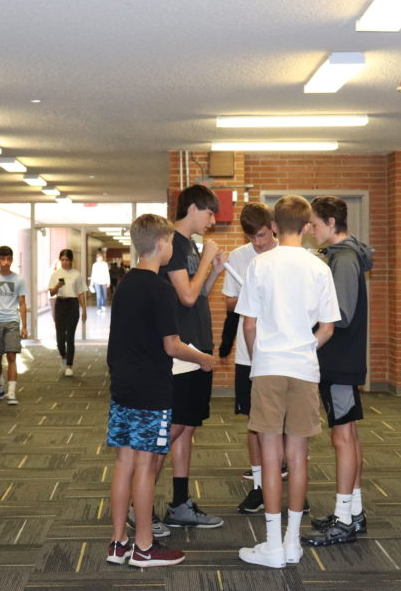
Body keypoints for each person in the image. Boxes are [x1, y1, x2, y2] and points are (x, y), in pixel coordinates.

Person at [105, 214, 218, 568]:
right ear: (161, 244)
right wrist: (203, 359)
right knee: (144, 464)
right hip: (150, 389)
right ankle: (143, 546)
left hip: (122, 385)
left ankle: (118, 542)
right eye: (170, 242)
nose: (173, 247)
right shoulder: (160, 289)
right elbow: (172, 345)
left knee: (124, 462)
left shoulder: (125, 284)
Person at [234, 195, 340, 568]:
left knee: (269, 456)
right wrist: (306, 346)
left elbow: (248, 323)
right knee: (298, 457)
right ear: (308, 226)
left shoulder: (260, 264)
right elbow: (327, 328)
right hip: (304, 369)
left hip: (268, 368)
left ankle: (272, 546)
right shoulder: (319, 267)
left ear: (275, 226)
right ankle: (292, 542)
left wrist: (260, 356)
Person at [152, 183, 225, 530]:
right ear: (194, 208)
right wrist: (208, 257)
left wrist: (214, 270)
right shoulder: (174, 243)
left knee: (186, 429)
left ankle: (180, 503)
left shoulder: (191, 245)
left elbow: (200, 294)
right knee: (172, 427)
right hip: (181, 352)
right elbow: (185, 297)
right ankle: (142, 505)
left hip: (198, 347)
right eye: (211, 212)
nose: (213, 220)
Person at [303, 195, 375, 546]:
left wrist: (307, 310)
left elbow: (341, 314)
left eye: (314, 224)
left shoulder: (344, 259)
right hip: (341, 361)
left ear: (331, 223)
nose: (311, 230)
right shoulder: (341, 256)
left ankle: (345, 519)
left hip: (340, 361)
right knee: (349, 435)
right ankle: (354, 513)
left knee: (341, 438)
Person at [218, 202, 279, 514]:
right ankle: (259, 487)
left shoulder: (287, 257)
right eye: (253, 237)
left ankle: (286, 486)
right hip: (248, 354)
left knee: (284, 424)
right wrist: (250, 297)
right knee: (256, 424)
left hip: (280, 354)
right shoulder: (240, 258)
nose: (259, 242)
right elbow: (229, 303)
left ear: (273, 226)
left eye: (263, 235)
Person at [0, 245, 28, 404]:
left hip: (12, 321)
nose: (6, 262)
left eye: (8, 259)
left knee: (11, 356)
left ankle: (11, 393)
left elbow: (22, 303)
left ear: (12, 260)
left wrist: (24, 326)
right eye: (3, 259)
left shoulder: (19, 280)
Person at [48, 249, 87, 377]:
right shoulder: (56, 274)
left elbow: (81, 293)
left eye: (67, 260)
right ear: (60, 260)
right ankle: (63, 355)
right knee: (60, 338)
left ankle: (69, 365)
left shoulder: (77, 274)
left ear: (71, 261)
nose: (65, 262)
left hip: (72, 305)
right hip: (60, 304)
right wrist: (57, 286)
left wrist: (84, 310)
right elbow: (51, 293)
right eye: (63, 260)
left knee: (70, 337)